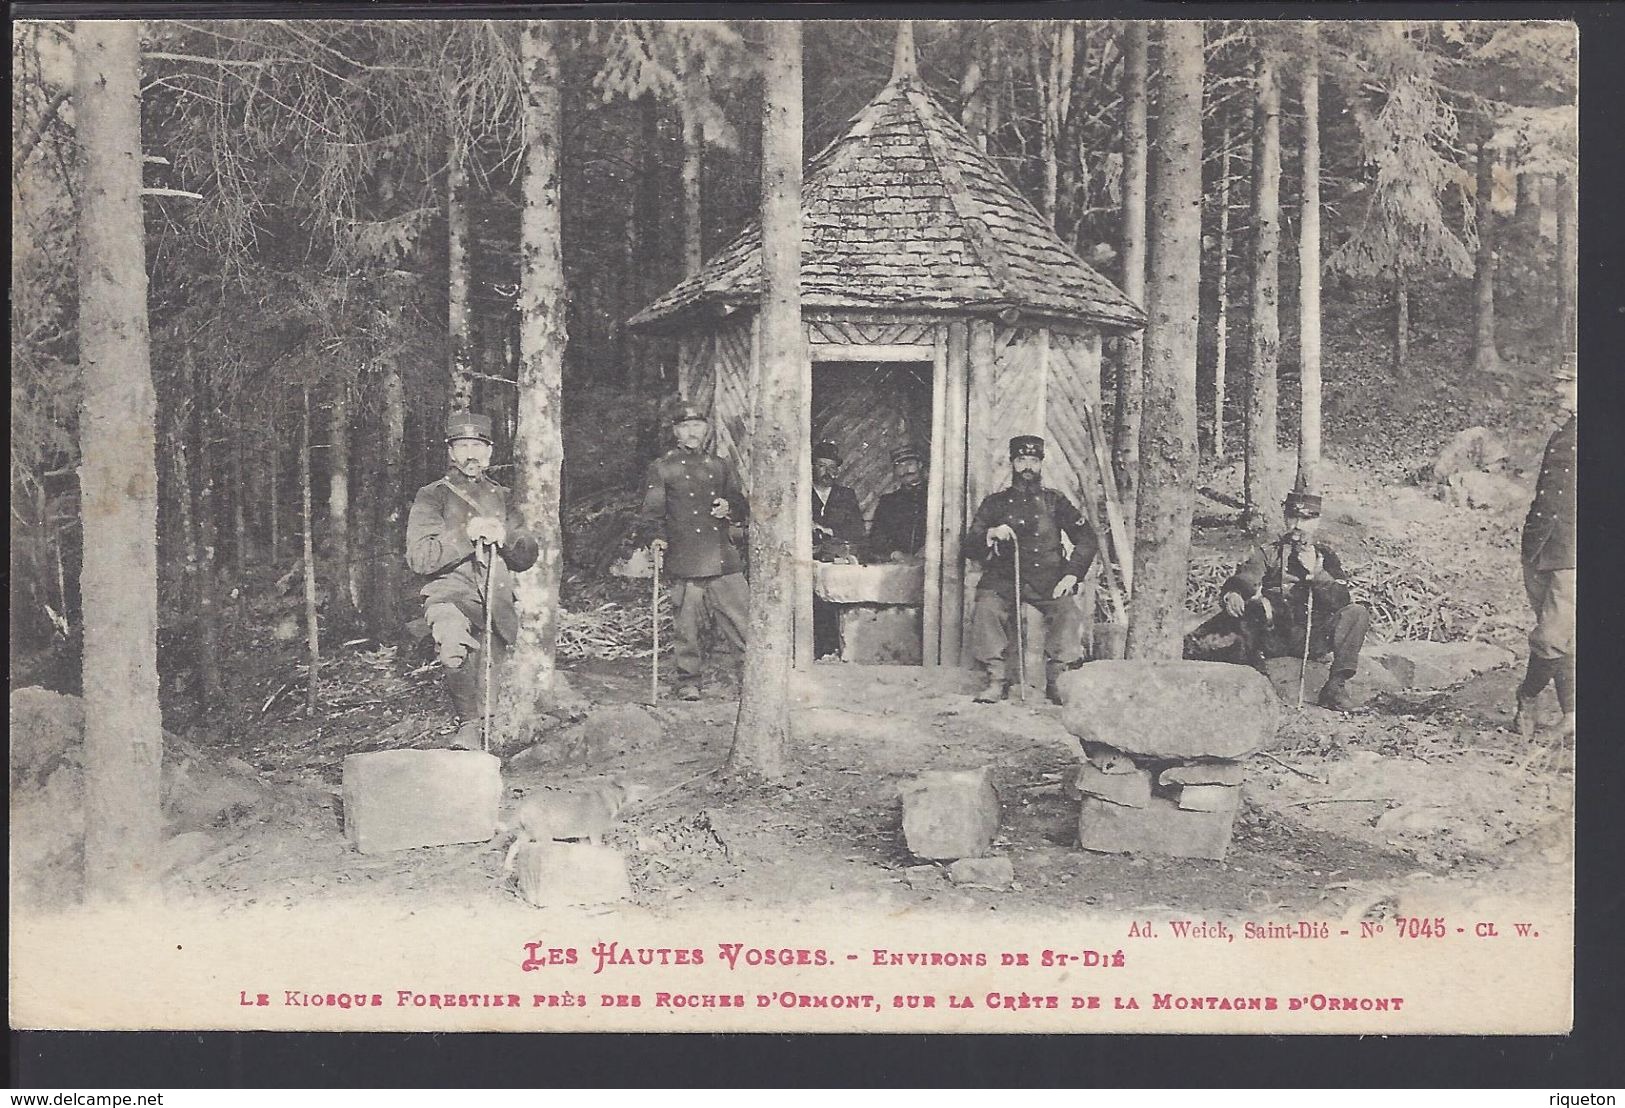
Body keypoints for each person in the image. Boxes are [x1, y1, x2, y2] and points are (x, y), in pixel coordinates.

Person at [406, 411, 540, 749]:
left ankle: (481, 740)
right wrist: (467, 534)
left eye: (479, 446)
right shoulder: (432, 495)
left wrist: (505, 536)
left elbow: (526, 556)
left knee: (489, 681)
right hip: (449, 592)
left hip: (494, 598)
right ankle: (466, 727)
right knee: (453, 648)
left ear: (490, 453)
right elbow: (420, 558)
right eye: (463, 446)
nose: (471, 454)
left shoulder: (504, 497)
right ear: (450, 452)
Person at [1191, 485, 1372, 710]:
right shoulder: (1270, 552)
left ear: (1316, 522)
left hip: (1313, 639)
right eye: (1292, 518)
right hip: (1275, 637)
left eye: (1305, 520)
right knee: (1256, 607)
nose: (1297, 526)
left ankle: (1335, 687)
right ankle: (1257, 680)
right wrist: (1235, 593)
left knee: (1357, 613)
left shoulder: (1326, 557)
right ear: (1286, 519)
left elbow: (1341, 600)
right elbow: (1248, 577)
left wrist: (1317, 574)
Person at [966, 435, 1097, 703]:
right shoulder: (995, 503)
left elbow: (1086, 538)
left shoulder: (1056, 502)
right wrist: (991, 533)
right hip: (1003, 579)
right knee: (986, 608)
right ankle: (996, 679)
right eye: (1022, 460)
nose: (1028, 466)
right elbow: (969, 546)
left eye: (1034, 461)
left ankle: (1058, 679)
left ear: (1041, 464)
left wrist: (1071, 574)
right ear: (1012, 463)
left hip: (1048, 579)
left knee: (1068, 611)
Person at [633, 401, 750, 701]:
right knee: (687, 626)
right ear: (676, 431)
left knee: (742, 619)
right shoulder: (663, 468)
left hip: (722, 555)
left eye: (697, 425)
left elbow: (740, 502)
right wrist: (656, 539)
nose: (691, 432)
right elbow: (651, 515)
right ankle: (689, 681)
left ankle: (750, 679)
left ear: (706, 429)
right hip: (686, 557)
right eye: (685, 426)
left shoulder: (720, 465)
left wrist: (730, 507)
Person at [1514, 365, 1577, 739]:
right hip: (1541, 546)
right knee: (1564, 637)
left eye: (1566, 384)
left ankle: (1526, 695)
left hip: (1574, 552)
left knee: (1551, 637)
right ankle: (1571, 715)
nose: (1557, 390)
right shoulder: (1564, 433)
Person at [810, 440, 863, 659]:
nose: (827, 472)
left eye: (832, 467)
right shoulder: (801, 493)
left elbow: (857, 530)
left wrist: (829, 531)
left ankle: (832, 650)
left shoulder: (846, 495)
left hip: (834, 558)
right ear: (812, 466)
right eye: (822, 465)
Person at [867, 445, 929, 563]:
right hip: (900, 566)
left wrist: (930, 548)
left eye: (910, 464)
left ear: (920, 465)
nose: (905, 470)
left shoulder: (936, 497)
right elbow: (877, 538)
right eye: (899, 465)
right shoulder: (888, 502)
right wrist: (896, 554)